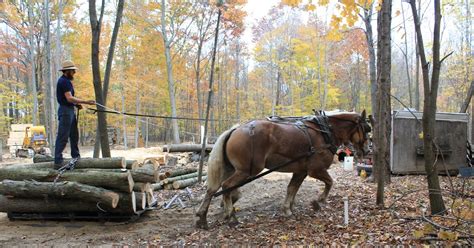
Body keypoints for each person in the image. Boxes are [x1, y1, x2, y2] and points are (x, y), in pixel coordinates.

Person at [54, 60, 95, 168]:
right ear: (67, 71)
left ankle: (76, 156)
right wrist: (86, 102)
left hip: (69, 110)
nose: (74, 73)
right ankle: (58, 161)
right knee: (63, 136)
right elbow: (69, 98)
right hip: (65, 111)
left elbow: (68, 99)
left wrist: (77, 105)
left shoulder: (66, 81)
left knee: (74, 135)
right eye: (72, 71)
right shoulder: (64, 81)